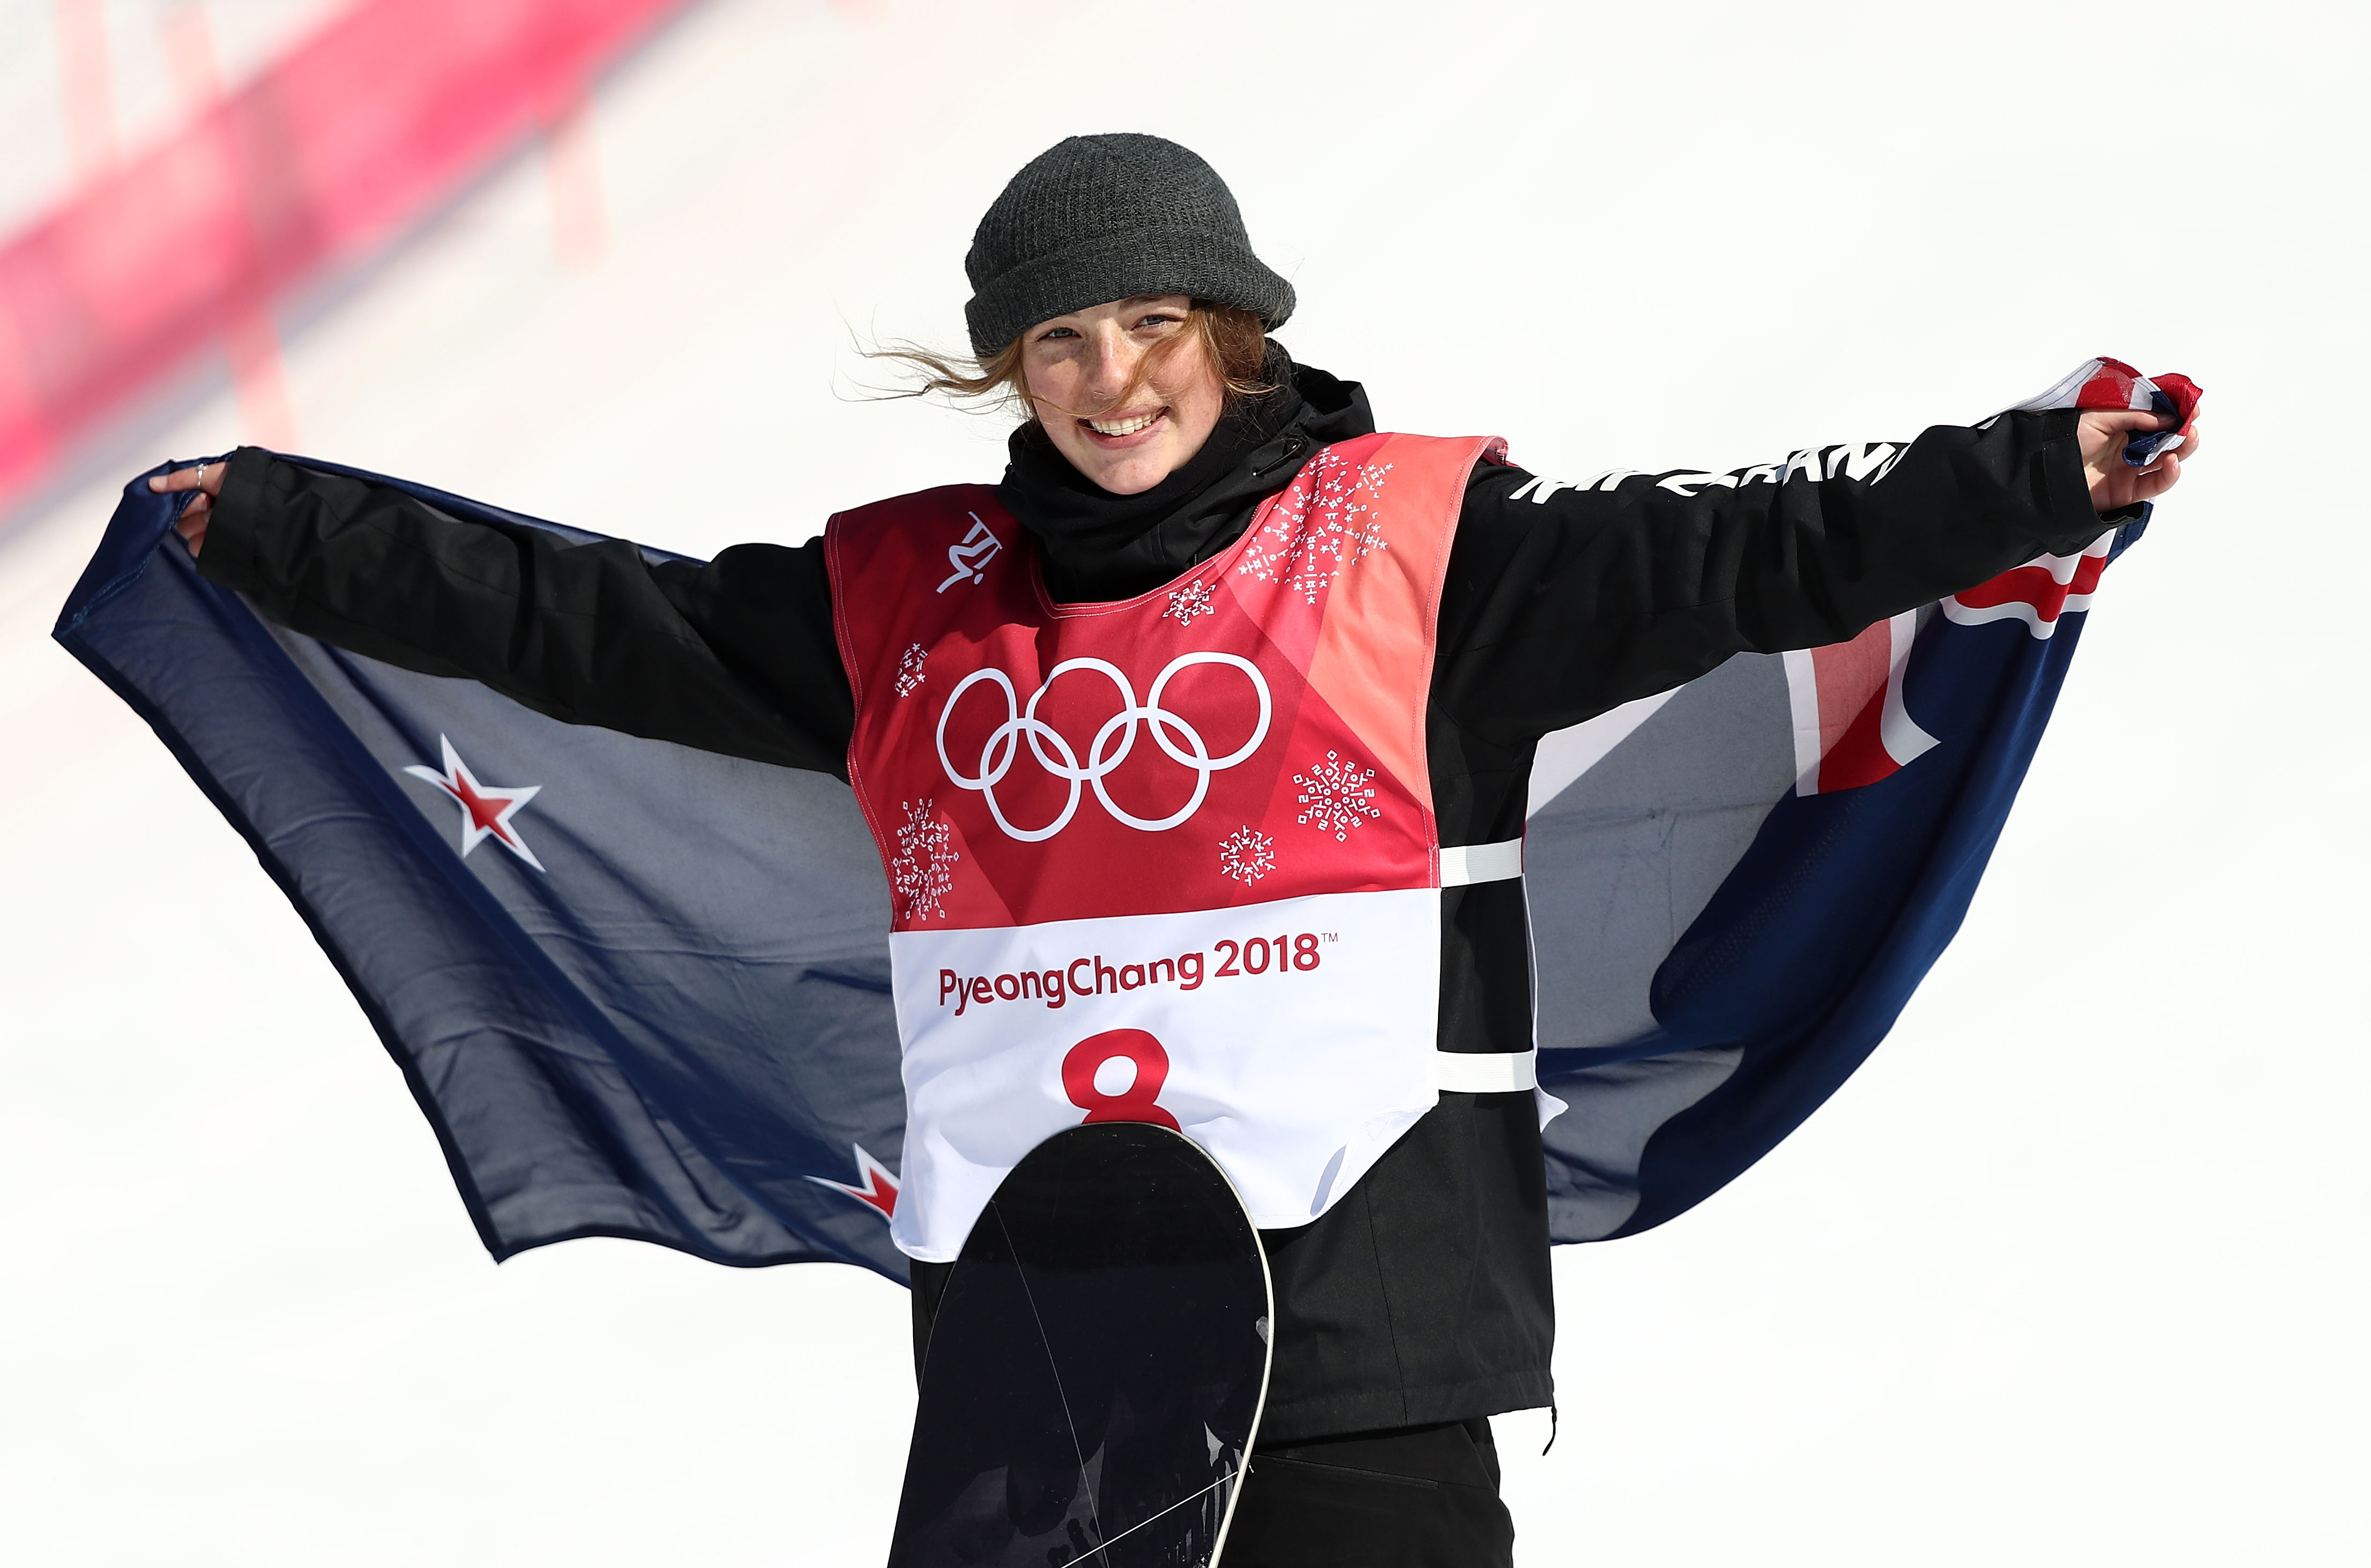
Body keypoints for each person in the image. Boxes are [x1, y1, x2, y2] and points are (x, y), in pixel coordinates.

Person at [148, 133, 2194, 1567]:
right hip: (1055, 1393)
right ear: (1004, 368)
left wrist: (2028, 473)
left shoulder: (1424, 554)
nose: (1111, 379)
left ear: (1232, 327)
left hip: (1371, 1361)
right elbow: (595, 622)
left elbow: (1755, 550)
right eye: (1058, 341)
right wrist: (281, 525)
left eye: (1149, 324)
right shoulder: (914, 605)